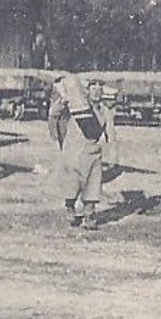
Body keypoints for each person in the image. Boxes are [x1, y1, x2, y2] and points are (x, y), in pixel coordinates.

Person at [57, 75, 111, 229]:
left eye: (99, 89)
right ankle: (70, 209)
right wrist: (61, 104)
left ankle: (89, 216)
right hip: (75, 151)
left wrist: (112, 152)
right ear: (87, 91)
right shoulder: (76, 106)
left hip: (93, 152)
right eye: (93, 89)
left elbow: (110, 133)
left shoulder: (104, 110)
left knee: (93, 186)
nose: (96, 92)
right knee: (72, 185)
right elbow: (55, 116)